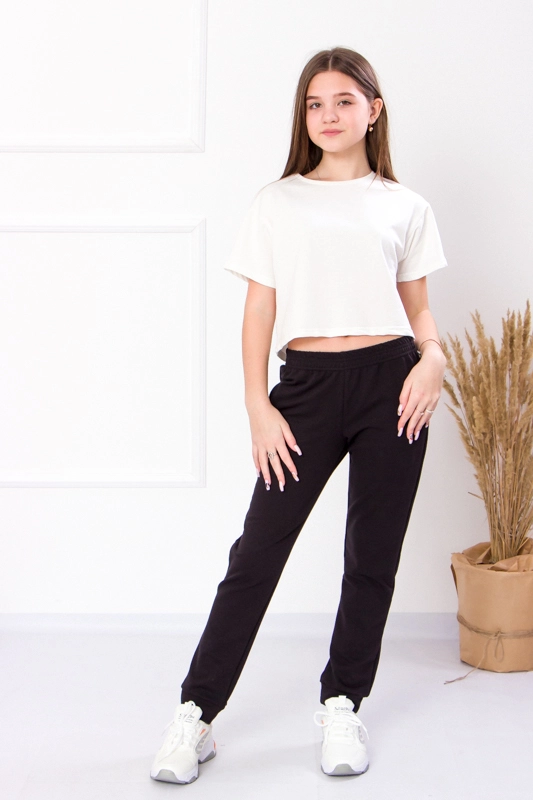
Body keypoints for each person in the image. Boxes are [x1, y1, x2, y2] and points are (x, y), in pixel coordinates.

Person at [150, 46, 448, 784]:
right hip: (306, 390)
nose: (328, 115)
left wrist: (434, 359)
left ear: (373, 110)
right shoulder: (277, 202)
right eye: (315, 104)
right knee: (256, 555)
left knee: (371, 557)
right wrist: (258, 405)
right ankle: (196, 714)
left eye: (344, 101)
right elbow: (260, 312)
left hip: (393, 385)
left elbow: (418, 310)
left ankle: (343, 702)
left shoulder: (404, 206)